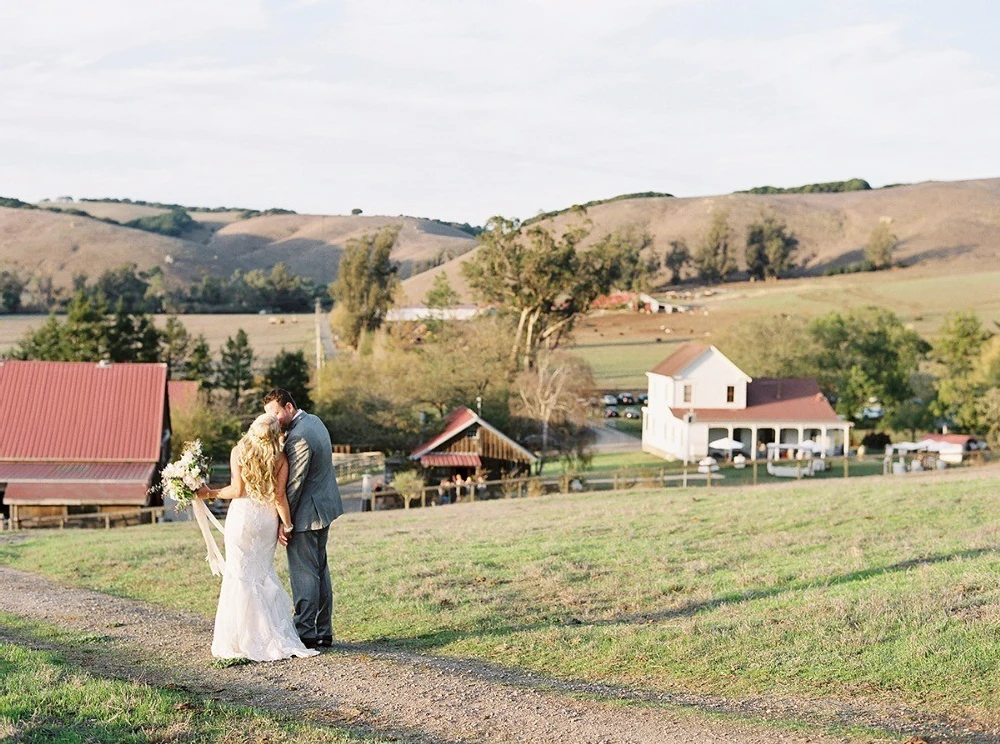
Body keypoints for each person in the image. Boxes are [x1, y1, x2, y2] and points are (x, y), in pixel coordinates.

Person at [196, 413, 318, 662]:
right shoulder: (280, 458)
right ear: (275, 435)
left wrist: (209, 493)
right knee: (261, 574)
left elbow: (237, 491)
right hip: (265, 521)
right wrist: (287, 525)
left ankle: (240, 638)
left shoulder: (238, 451)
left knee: (239, 575)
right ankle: (267, 635)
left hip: (241, 519)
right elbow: (280, 497)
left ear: (252, 429)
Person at [263, 389, 344, 649]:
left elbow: (294, 486)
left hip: (307, 515)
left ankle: (305, 631)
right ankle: (324, 630)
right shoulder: (315, 421)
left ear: (288, 406)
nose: (274, 420)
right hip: (324, 508)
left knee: (304, 574)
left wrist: (284, 522)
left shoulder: (298, 437)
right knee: (320, 570)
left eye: (275, 413)